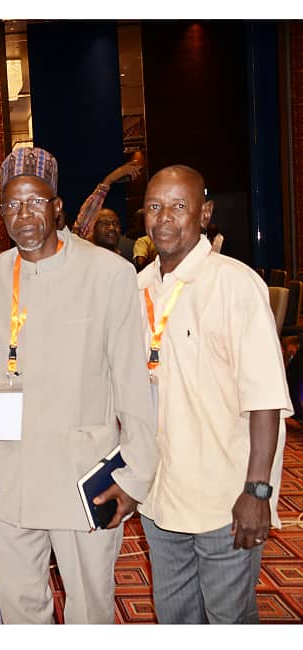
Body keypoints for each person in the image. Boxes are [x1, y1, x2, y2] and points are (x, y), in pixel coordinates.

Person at [0, 147, 158, 624]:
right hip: (10, 476)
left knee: (89, 612)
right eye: (12, 204)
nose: (23, 214)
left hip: (82, 476)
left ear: (57, 206)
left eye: (35, 201)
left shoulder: (108, 274)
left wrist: (135, 476)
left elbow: (132, 384)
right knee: (20, 610)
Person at [136, 165, 291, 624]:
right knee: (177, 620)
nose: (165, 217)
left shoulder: (235, 284)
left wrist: (257, 492)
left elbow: (265, 398)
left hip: (225, 501)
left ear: (204, 214)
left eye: (178, 206)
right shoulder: (138, 288)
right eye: (155, 206)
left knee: (229, 622)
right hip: (160, 497)